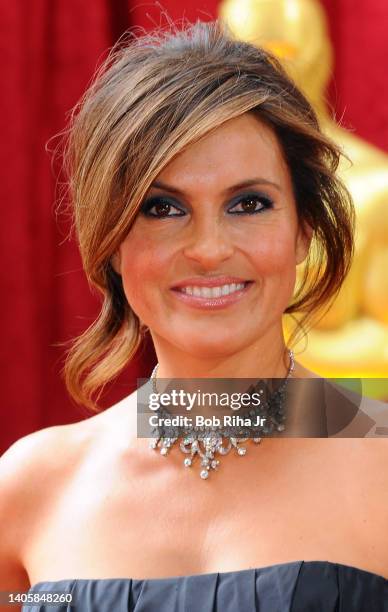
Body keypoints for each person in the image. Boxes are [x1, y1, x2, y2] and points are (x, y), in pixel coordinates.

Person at [0, 19, 387, 612]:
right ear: (113, 240)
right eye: (163, 208)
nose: (208, 249)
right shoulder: (29, 489)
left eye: (248, 203)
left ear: (304, 230)